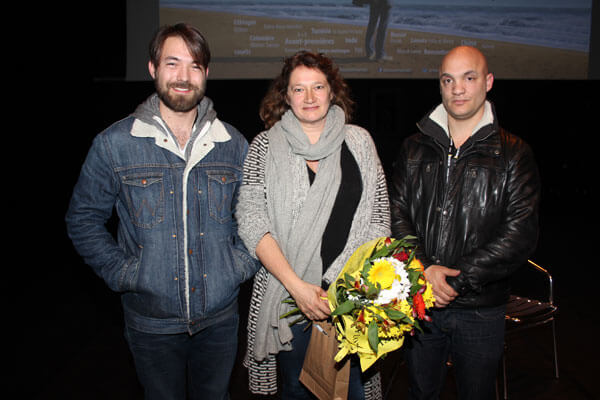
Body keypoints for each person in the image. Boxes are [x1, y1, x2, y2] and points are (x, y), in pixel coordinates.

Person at [65, 23, 259, 400]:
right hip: (150, 323)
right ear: (153, 69)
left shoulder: (234, 144)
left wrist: (237, 267)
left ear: (207, 73)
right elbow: (83, 219)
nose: (184, 77)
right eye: (172, 64)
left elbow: (254, 219)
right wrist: (124, 272)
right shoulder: (115, 144)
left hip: (220, 321)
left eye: (195, 65)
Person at [235, 51, 390, 400]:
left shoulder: (360, 142)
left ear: (332, 91)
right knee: (296, 390)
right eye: (299, 89)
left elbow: (379, 217)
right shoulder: (264, 146)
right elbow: (251, 219)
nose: (309, 97)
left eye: (317, 87)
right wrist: (298, 288)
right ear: (285, 96)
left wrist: (351, 290)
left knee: (352, 393)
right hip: (289, 301)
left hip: (353, 299)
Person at [390, 45, 541, 399]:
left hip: (480, 309)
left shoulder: (515, 153)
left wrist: (455, 280)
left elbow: (519, 234)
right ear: (440, 86)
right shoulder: (413, 147)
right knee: (420, 392)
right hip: (420, 302)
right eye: (448, 80)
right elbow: (397, 214)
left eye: (468, 78)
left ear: (487, 82)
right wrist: (424, 269)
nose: (457, 88)